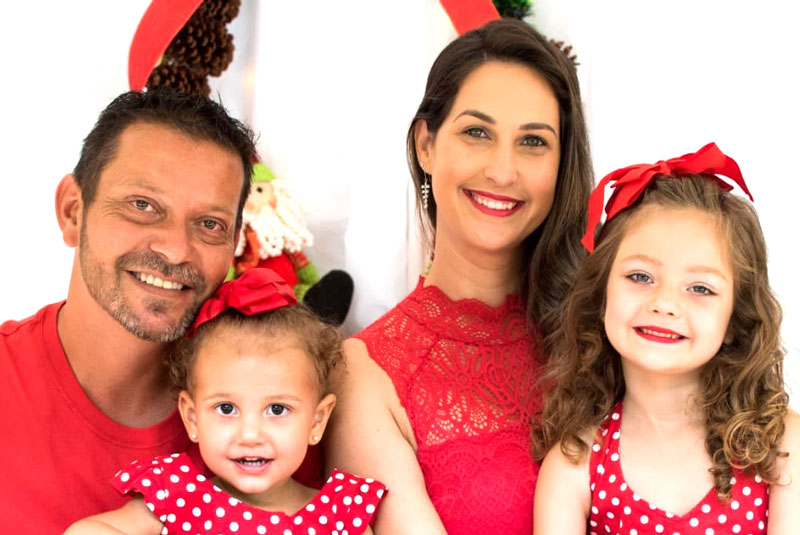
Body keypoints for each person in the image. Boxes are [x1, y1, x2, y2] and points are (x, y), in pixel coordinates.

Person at [325, 18, 593, 535]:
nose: (502, 170)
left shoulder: (612, 332)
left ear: (562, 164)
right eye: (477, 133)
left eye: (533, 141)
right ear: (426, 145)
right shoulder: (368, 374)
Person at [0, 90, 257, 534]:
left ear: (234, 244)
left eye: (209, 224)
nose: (175, 249)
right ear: (73, 211)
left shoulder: (274, 411)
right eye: (143, 206)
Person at [532, 144, 800, 534]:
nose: (664, 304)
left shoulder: (783, 444)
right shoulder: (575, 465)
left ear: (736, 317)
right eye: (640, 277)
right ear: (600, 294)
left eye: (701, 288)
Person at [64, 268, 386, 535]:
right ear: (192, 418)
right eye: (226, 409)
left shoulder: (340, 517)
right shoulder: (178, 499)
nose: (250, 435)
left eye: (277, 409)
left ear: (316, 421)